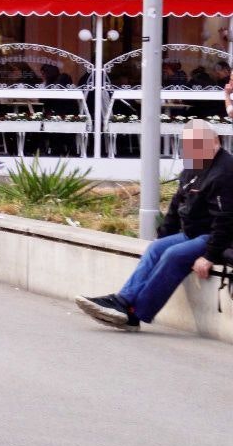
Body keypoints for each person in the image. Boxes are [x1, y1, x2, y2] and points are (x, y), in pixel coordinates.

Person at [77, 120, 233, 331]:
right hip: (193, 233)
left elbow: (225, 219)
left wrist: (209, 256)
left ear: (215, 142)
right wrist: (163, 236)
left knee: (173, 255)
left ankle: (134, 314)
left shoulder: (225, 172)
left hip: (215, 236)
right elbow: (178, 204)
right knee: (156, 248)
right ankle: (122, 301)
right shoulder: (194, 165)